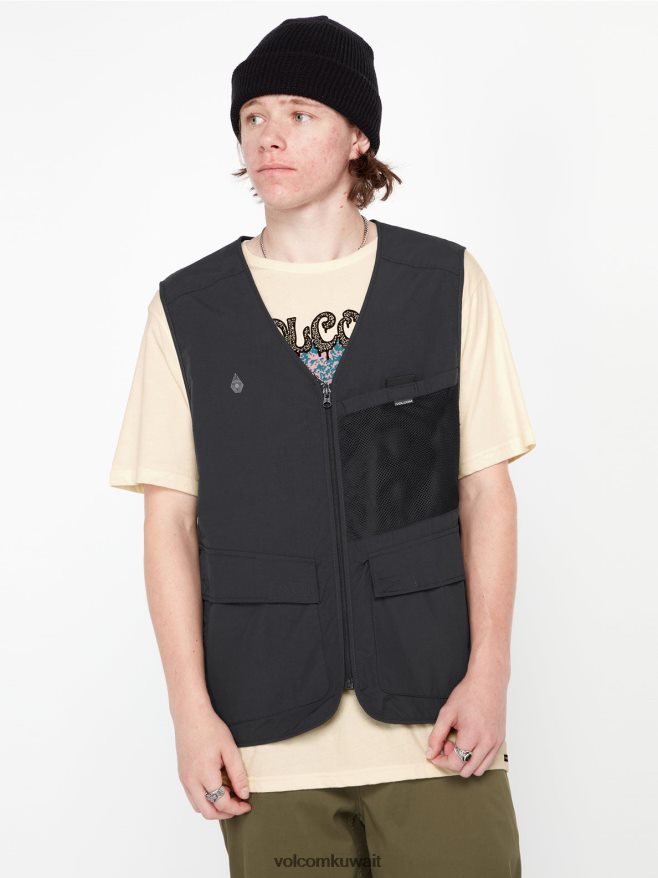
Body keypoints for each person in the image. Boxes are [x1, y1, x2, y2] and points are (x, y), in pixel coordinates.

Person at [109, 15, 536, 877]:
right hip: (266, 741)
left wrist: (489, 675)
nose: (269, 135)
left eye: (300, 113)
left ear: (357, 136)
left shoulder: (444, 285)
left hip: (434, 723)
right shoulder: (190, 312)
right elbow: (169, 524)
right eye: (254, 115)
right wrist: (190, 714)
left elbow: (486, 492)